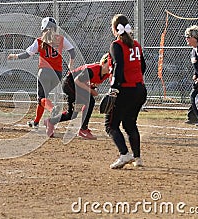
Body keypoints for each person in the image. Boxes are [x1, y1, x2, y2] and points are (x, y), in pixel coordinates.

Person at [7, 17, 75, 132]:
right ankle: (36, 122)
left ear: (43, 28)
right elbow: (72, 51)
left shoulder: (39, 41)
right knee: (43, 98)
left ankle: (53, 109)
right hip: (57, 74)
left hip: (44, 73)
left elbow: (27, 54)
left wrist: (15, 56)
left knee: (41, 98)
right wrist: (70, 66)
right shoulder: (61, 39)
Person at [105, 14, 147, 169]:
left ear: (115, 29)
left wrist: (114, 87)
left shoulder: (116, 45)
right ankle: (138, 158)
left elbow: (118, 66)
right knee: (130, 123)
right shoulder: (136, 44)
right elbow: (143, 67)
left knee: (111, 125)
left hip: (125, 90)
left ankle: (124, 154)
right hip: (140, 89)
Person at [44, 53, 110, 139]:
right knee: (90, 101)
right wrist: (90, 90)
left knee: (72, 114)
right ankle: (83, 129)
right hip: (70, 84)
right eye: (110, 63)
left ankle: (50, 121)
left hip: (77, 87)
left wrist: (93, 88)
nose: (112, 66)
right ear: (103, 62)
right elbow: (77, 81)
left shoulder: (106, 73)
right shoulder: (93, 70)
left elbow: (94, 83)